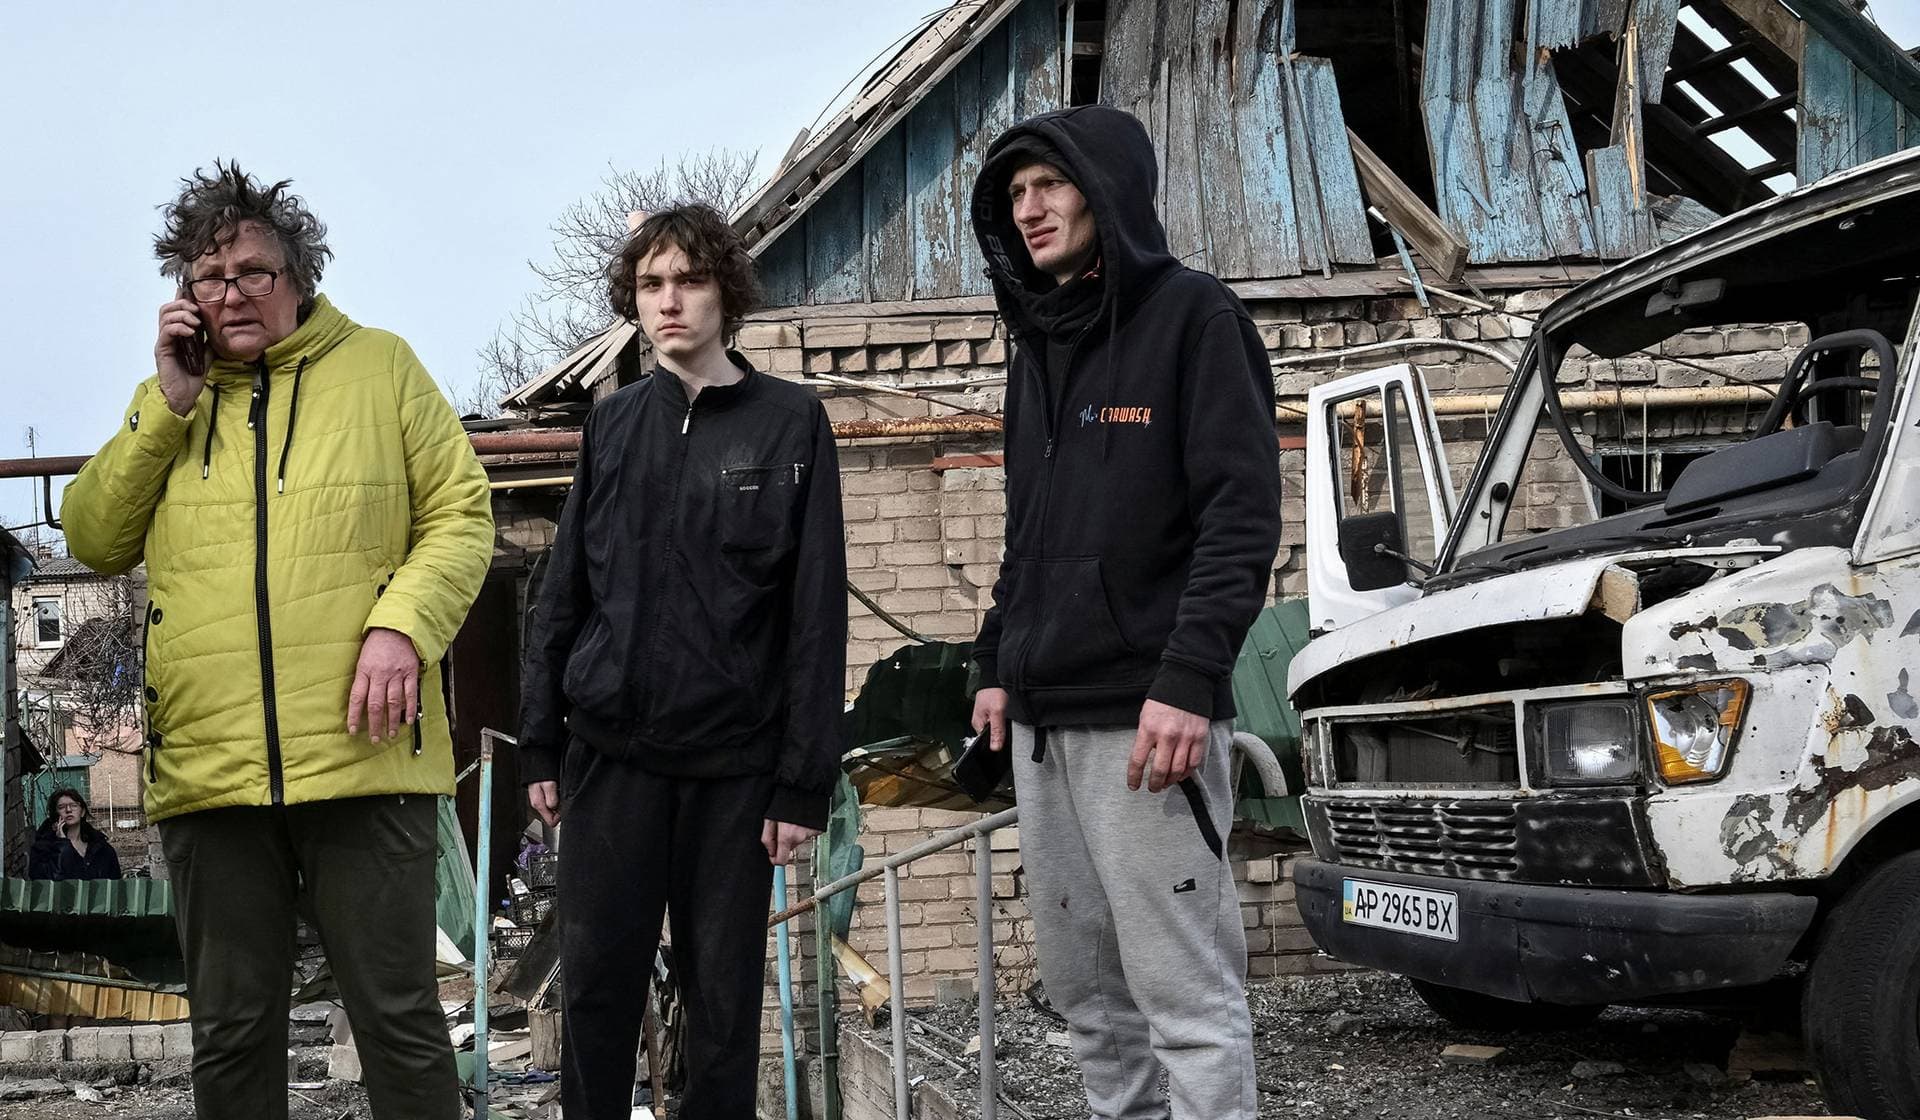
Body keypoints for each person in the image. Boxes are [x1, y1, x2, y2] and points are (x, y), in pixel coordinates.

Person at [61, 162, 493, 1120]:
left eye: (254, 271)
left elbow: (462, 515)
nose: (233, 294)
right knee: (230, 1034)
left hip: (363, 758)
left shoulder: (381, 368)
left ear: (299, 277)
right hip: (212, 771)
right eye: (210, 278)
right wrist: (165, 405)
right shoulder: (167, 404)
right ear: (185, 298)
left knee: (398, 1021)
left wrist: (402, 625)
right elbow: (91, 536)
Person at [966, 106, 1283, 1119]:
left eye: (1050, 185)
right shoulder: (1039, 345)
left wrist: (1188, 679)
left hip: (1150, 724)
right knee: (1090, 1001)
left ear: (1107, 190)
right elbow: (1030, 532)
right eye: (1015, 194)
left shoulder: (1196, 319)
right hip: (1045, 723)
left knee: (1184, 998)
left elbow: (1241, 518)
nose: (1029, 209)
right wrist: (995, 662)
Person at [518, 203, 846, 1120]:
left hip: (732, 775)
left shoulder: (790, 424)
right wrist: (541, 740)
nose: (668, 301)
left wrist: (801, 784)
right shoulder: (614, 423)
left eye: (689, 281)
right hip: (611, 762)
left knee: (723, 1012)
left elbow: (815, 616)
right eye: (651, 284)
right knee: (595, 1001)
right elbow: (564, 593)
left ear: (725, 293)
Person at [28, 788, 123, 881]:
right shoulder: (43, 848)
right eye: (61, 807)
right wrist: (62, 845)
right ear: (55, 814)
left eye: (74, 805)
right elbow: (46, 883)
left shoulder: (101, 848)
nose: (68, 810)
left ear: (82, 812)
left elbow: (116, 885)